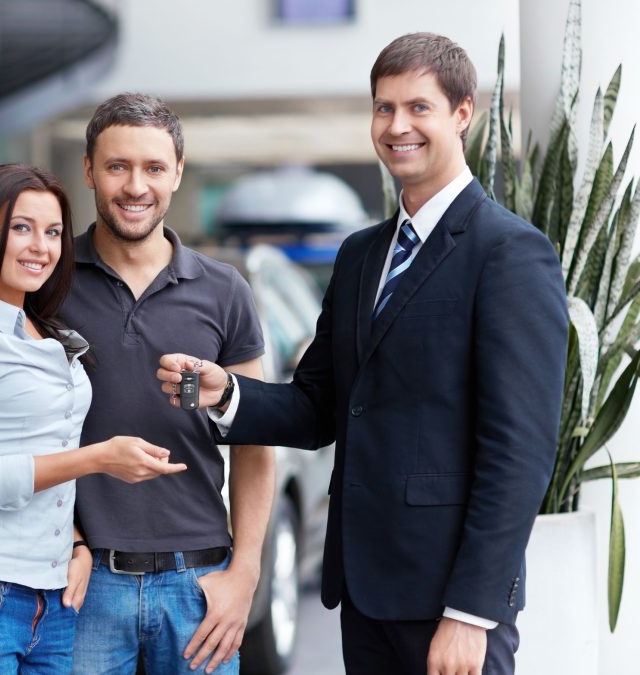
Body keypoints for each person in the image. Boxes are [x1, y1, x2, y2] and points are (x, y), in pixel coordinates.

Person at [158, 33, 569, 675]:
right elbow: (321, 405)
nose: (397, 126)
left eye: (418, 107)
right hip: (365, 595)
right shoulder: (360, 255)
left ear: (463, 113)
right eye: (384, 108)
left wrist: (471, 613)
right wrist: (226, 394)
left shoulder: (509, 253)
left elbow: (520, 450)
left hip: (448, 604)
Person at [0, 95, 274, 674]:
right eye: (118, 166)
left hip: (198, 581)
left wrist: (244, 574)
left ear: (177, 172)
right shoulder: (44, 280)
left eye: (152, 168)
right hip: (82, 583)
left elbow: (256, 440)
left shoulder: (225, 291)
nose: (135, 186)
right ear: (90, 172)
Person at [0, 163, 187, 675]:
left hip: (54, 596)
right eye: (21, 228)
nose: (41, 246)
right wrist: (99, 459)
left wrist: (77, 543)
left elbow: (47, 438)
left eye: (54, 232)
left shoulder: (44, 328)